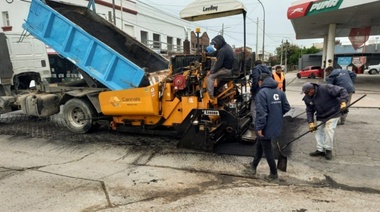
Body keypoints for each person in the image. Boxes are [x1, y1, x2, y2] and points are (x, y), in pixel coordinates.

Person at [251, 73, 290, 180]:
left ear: (261, 81)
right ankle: (253, 166)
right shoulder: (280, 92)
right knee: (260, 145)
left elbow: (261, 113)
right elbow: (286, 107)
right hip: (276, 123)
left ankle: (273, 173)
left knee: (267, 149)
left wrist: (259, 128)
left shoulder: (262, 93)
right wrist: (276, 112)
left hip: (265, 126)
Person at [302, 82, 348, 160]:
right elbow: (309, 111)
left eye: (307, 92)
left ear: (312, 90)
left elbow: (342, 90)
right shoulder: (307, 98)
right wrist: (311, 123)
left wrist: (343, 102)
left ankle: (328, 149)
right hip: (321, 115)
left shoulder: (325, 88)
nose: (306, 94)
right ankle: (320, 149)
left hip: (333, 112)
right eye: (305, 93)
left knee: (329, 130)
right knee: (318, 131)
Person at [250, 60, 272, 128]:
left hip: (258, 91)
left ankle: (256, 124)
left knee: (254, 107)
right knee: (264, 107)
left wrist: (252, 90)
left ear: (255, 64)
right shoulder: (267, 69)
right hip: (267, 90)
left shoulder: (256, 68)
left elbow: (255, 80)